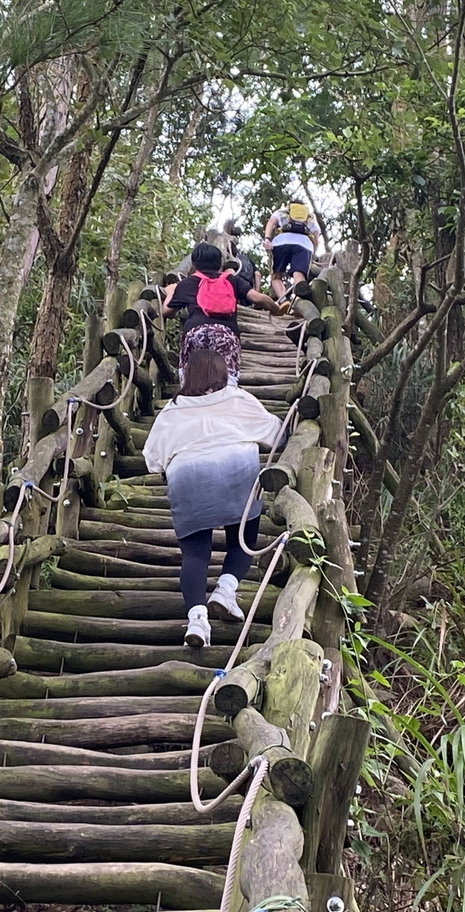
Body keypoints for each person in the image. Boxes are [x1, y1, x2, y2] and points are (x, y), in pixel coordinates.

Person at [142, 349, 284, 648]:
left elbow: (152, 460)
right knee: (242, 540)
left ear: (187, 374)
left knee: (195, 555)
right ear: (224, 374)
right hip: (237, 470)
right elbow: (276, 433)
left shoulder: (173, 409)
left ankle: (197, 621)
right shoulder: (238, 398)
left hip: (188, 476)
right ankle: (226, 590)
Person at [161, 242, 284, 385]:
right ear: (220, 263)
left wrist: (170, 292)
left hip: (195, 332)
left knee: (191, 382)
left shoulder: (187, 283)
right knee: (227, 383)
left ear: (194, 264)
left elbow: (167, 312)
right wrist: (276, 309)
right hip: (226, 334)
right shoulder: (232, 280)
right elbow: (259, 298)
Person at [263, 202, 321, 303]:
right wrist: (313, 252)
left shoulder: (283, 211)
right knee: (299, 274)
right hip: (304, 245)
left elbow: (272, 221)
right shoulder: (310, 216)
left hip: (282, 242)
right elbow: (316, 236)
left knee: (276, 276)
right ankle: (300, 301)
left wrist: (267, 238)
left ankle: (284, 301)